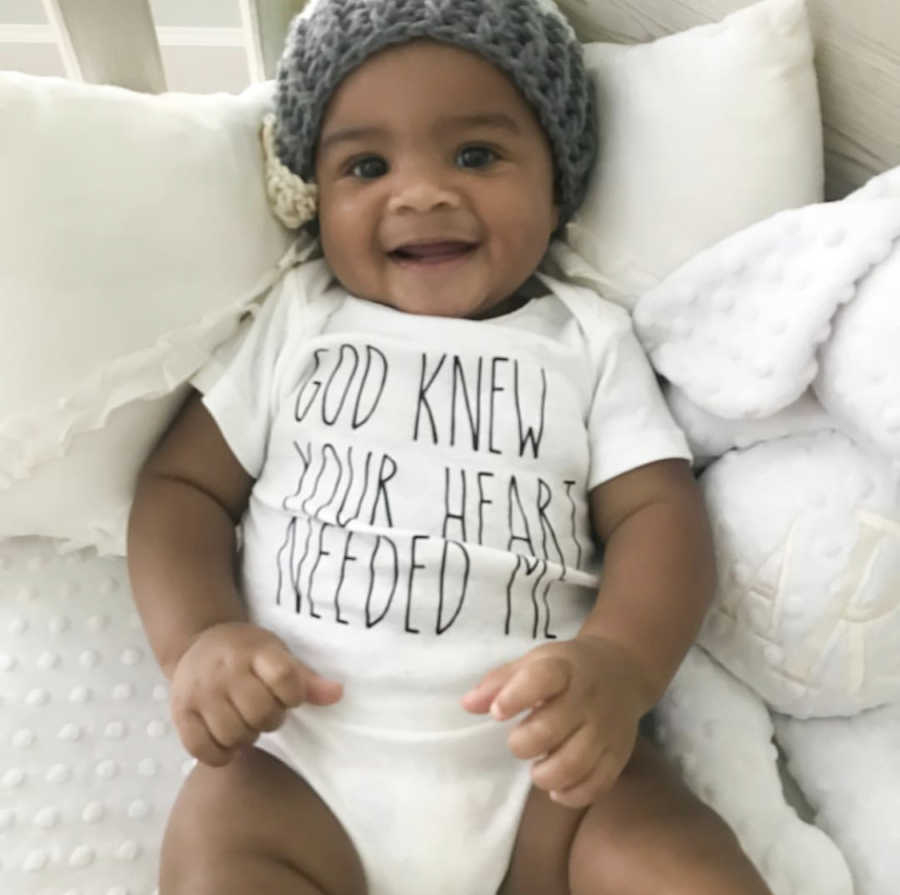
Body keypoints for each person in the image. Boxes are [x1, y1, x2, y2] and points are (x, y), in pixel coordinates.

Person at [127, 1, 775, 893]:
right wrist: (199, 638)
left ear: (558, 179)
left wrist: (620, 665)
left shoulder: (586, 338)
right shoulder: (300, 320)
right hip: (299, 763)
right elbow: (182, 489)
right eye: (366, 165)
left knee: (677, 862)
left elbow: (659, 515)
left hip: (543, 768)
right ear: (316, 195)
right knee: (219, 849)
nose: (422, 192)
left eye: (476, 154)